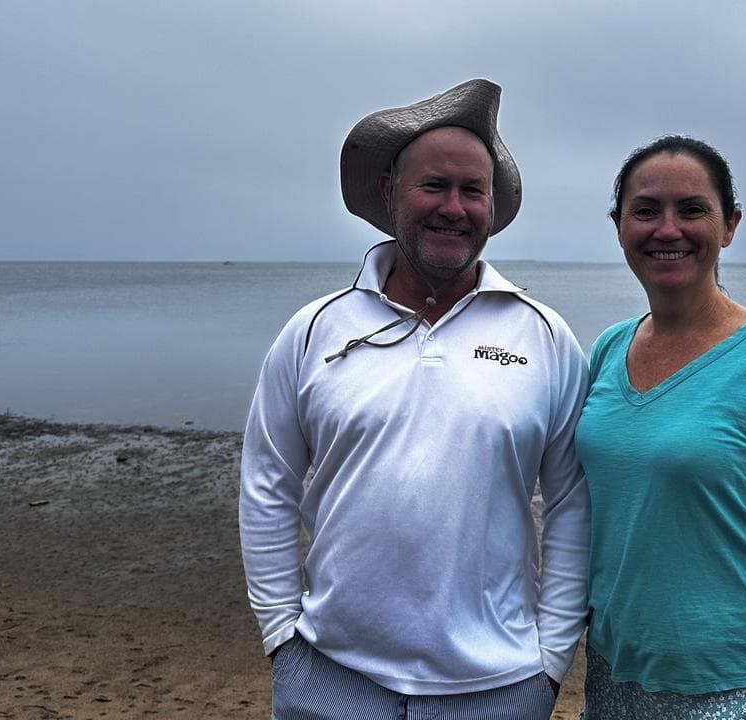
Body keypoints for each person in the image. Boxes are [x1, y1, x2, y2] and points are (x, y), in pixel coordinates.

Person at [239, 79, 590, 720]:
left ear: (491, 206)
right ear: (390, 191)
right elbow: (267, 482)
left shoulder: (543, 336)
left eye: (472, 191)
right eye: (434, 186)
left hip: (499, 686)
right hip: (329, 676)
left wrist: (551, 660)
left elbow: (572, 502)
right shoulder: (316, 330)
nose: (454, 208)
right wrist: (280, 633)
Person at [574, 136, 746, 719]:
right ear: (619, 226)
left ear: (729, 225)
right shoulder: (608, 348)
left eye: (692, 209)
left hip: (732, 691)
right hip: (612, 673)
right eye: (645, 210)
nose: (667, 229)